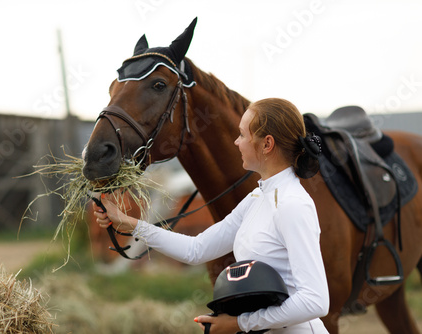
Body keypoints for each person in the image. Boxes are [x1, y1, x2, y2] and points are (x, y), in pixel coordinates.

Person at [93, 98, 330, 333]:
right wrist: (128, 223)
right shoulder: (257, 198)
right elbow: (196, 250)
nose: (237, 142)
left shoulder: (293, 205)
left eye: (242, 135)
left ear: (267, 144)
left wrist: (239, 323)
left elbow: (315, 300)